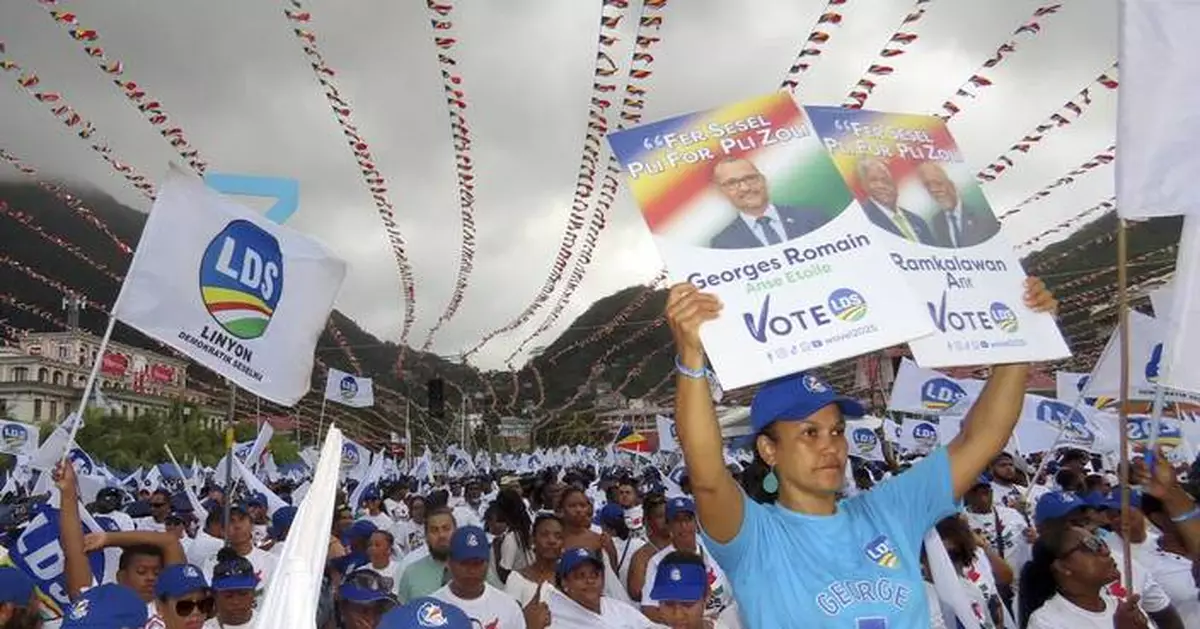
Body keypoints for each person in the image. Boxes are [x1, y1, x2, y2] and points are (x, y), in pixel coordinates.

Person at [663, 277, 1057, 627]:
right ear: (768, 449)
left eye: (837, 430)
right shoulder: (756, 538)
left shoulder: (890, 510)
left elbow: (979, 439)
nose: (830, 445)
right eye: (810, 433)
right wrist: (691, 358)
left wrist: (1019, 342)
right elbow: (708, 477)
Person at [707, 157, 829, 249]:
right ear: (721, 192)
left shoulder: (811, 217)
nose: (745, 188)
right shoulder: (723, 243)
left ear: (763, 180)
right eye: (732, 183)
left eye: (750, 178)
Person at [431, 526, 524, 629]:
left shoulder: (508, 607)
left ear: (488, 563)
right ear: (449, 563)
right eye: (464, 563)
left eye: (477, 563)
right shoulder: (430, 608)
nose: (471, 570)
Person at [915, 162, 999, 248]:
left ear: (951, 185)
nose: (934, 190)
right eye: (928, 186)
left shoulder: (982, 214)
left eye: (938, 183)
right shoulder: (937, 221)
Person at [856, 157, 937, 245]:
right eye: (874, 180)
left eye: (885, 179)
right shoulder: (863, 221)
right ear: (864, 185)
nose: (881, 185)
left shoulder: (918, 221)